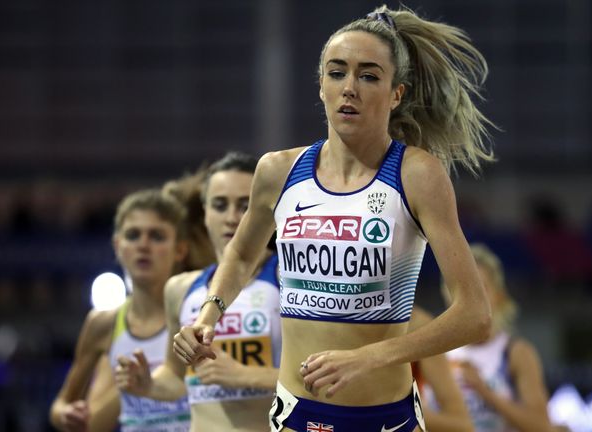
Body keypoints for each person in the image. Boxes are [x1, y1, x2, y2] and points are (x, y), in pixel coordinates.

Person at [173, 5, 494, 432]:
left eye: (368, 75)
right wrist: (207, 316)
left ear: (395, 94)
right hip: (296, 414)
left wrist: (371, 355)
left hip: (385, 418)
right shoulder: (278, 171)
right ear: (321, 85)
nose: (350, 88)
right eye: (337, 72)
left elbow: (474, 314)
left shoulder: (416, 175)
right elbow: (242, 253)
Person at [116, 152, 281, 432]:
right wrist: (149, 385)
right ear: (204, 213)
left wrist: (246, 375)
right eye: (219, 205)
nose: (232, 218)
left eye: (245, 205)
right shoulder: (180, 289)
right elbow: (178, 377)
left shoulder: (287, 275)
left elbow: (320, 378)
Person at [49, 189, 191, 431]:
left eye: (157, 236)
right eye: (133, 235)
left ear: (180, 249)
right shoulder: (104, 323)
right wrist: (67, 415)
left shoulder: (196, 312)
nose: (143, 245)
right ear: (117, 245)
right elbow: (61, 405)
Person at [446, 244, 552, 431]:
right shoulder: (435, 354)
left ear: (499, 295)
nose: (470, 297)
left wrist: (485, 392)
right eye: (460, 287)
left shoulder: (516, 353)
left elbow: (541, 426)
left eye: (481, 287)